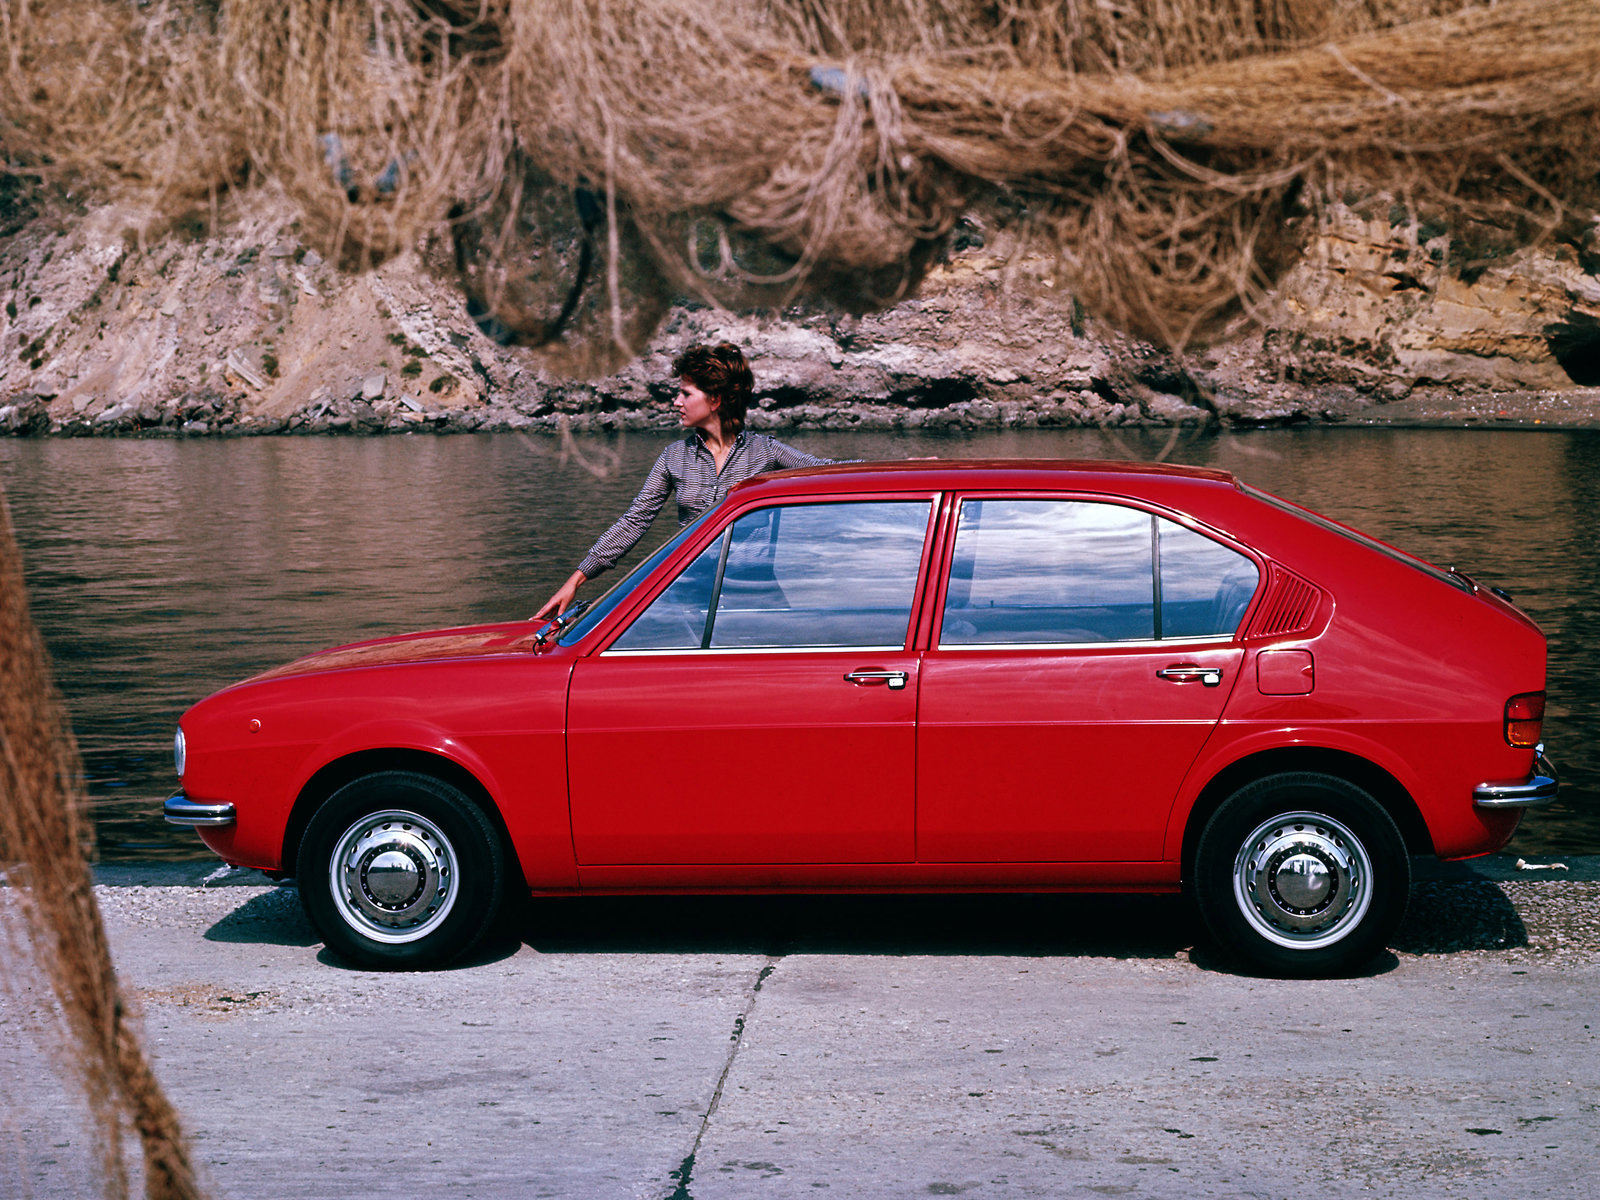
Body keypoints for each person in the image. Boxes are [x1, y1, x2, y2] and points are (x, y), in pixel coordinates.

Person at [534, 342, 835, 618]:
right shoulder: (674, 457)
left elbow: (830, 471)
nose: (676, 402)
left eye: (686, 394)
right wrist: (576, 580)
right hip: (693, 601)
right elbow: (634, 521)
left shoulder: (764, 452)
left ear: (715, 399)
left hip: (757, 601)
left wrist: (884, 470)